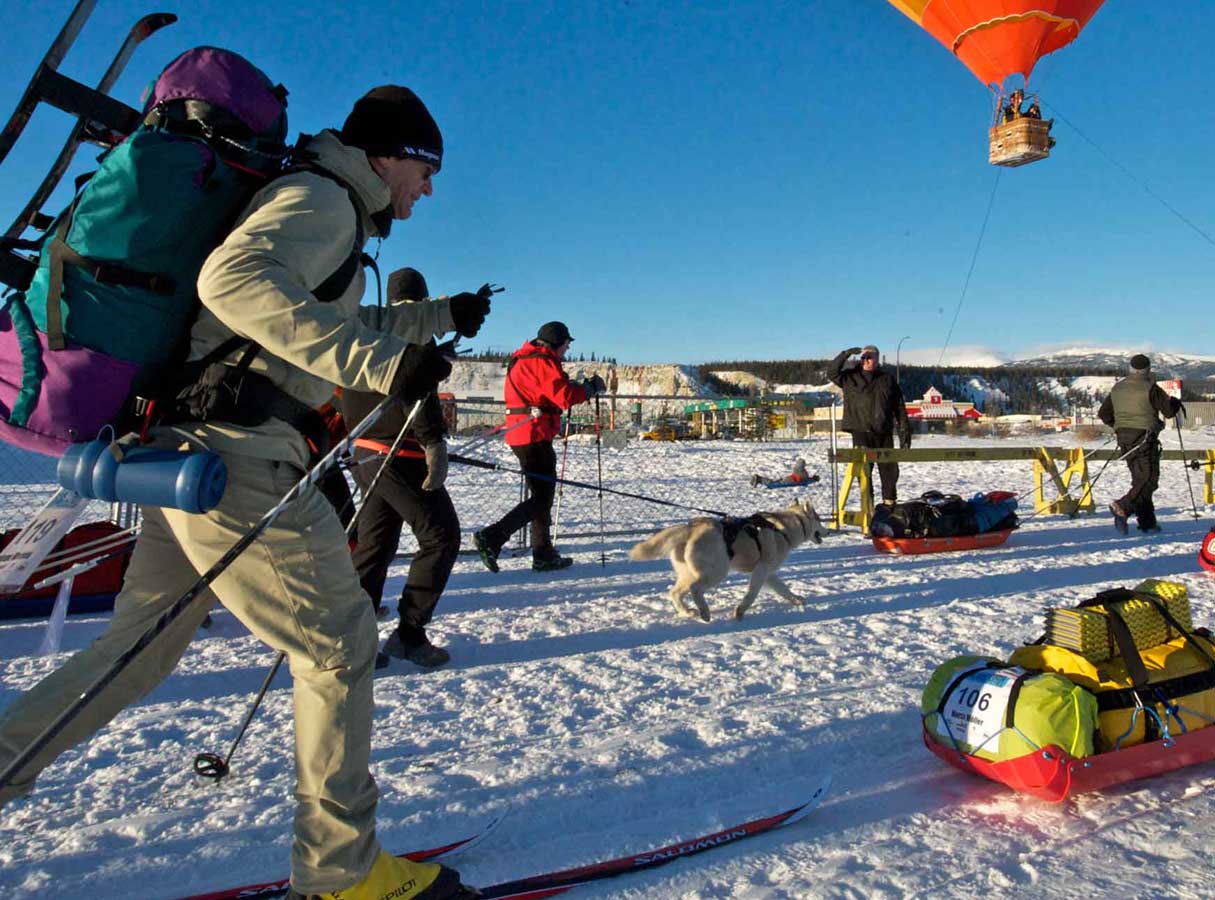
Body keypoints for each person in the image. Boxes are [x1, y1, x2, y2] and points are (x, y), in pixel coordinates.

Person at [0, 86, 475, 900]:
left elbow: (307, 322)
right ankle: (342, 874)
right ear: (391, 156)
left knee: (139, 650)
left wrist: (435, 319)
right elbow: (235, 285)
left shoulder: (324, 205)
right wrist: (380, 366)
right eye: (425, 172)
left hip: (188, 444)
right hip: (237, 449)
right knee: (337, 644)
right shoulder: (324, 197)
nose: (426, 191)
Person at [340, 267, 491, 671]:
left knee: (375, 547)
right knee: (441, 537)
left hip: (366, 449)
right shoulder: (412, 329)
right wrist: (433, 442)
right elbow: (415, 393)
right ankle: (409, 634)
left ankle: (354, 640)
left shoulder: (371, 325)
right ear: (423, 297)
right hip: (399, 451)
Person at [473, 322, 604, 572]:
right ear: (557, 343)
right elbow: (563, 396)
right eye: (567, 344)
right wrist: (590, 388)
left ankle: (543, 553)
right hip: (533, 434)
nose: (567, 349)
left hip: (527, 433)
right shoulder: (541, 361)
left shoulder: (527, 358)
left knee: (542, 496)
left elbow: (552, 392)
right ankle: (493, 536)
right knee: (542, 497)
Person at [1098, 354, 1182, 535]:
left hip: (1124, 439)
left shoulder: (1118, 388)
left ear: (1130, 369)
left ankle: (1147, 523)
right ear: (1148, 369)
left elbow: (1103, 414)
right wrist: (1174, 403)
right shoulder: (1151, 388)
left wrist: (1119, 426)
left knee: (1140, 480)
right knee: (1149, 480)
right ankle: (1123, 506)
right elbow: (1168, 412)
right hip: (1144, 438)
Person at [828, 345, 911, 518]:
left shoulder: (887, 379)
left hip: (884, 433)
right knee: (865, 474)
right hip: (861, 432)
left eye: (870, 357)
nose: (866, 360)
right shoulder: (850, 377)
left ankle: (889, 508)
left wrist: (905, 432)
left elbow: (899, 408)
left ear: (877, 359)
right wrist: (845, 354)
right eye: (864, 357)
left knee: (889, 472)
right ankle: (869, 512)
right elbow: (832, 372)